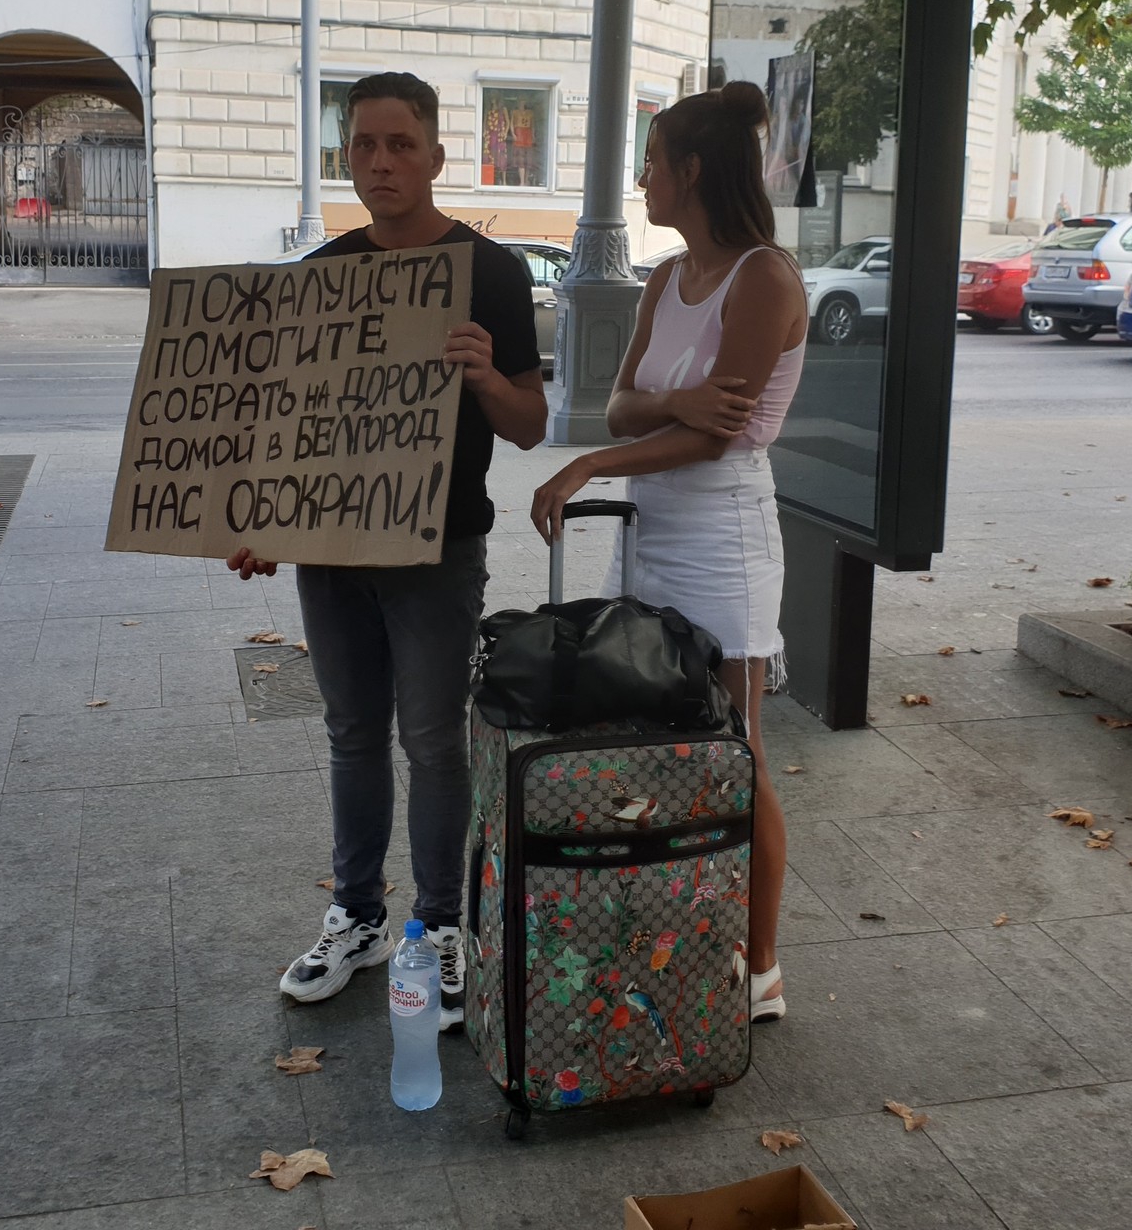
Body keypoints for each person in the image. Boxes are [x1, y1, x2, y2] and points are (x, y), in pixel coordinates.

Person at [226, 71, 548, 1030]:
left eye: (400, 143)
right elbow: (290, 426)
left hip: (439, 548)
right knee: (353, 735)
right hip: (332, 551)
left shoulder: (492, 272)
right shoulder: (323, 272)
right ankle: (357, 916)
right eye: (363, 144)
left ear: (438, 155)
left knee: (434, 740)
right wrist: (261, 524)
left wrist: (486, 373)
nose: (379, 161)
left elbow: (530, 425)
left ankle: (440, 926)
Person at [529, 82, 805, 1024]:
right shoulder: (662, 278)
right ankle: (685, 913)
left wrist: (602, 462)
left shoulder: (764, 277)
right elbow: (622, 402)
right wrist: (666, 409)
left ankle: (761, 965)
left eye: (652, 162)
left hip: (723, 532)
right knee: (656, 723)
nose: (641, 179)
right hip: (654, 522)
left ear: (691, 172)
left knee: (736, 744)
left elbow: (719, 434)